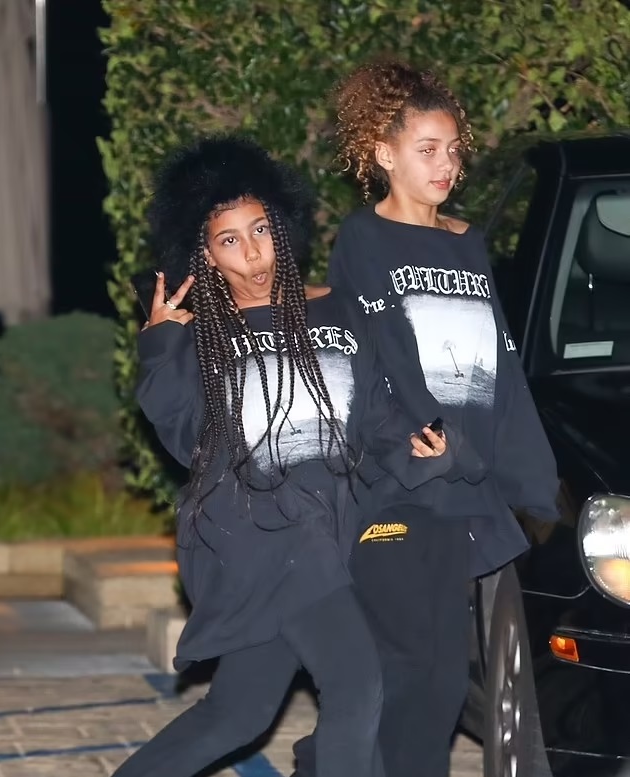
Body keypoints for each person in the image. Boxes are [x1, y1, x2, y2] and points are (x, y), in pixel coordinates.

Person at [111, 134, 470, 777]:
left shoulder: (338, 312)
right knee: (357, 686)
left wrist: (421, 450)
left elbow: (373, 421)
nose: (252, 253)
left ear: (281, 227)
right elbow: (185, 438)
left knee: (238, 714)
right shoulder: (203, 337)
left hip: (325, 536)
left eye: (259, 230)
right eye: (229, 241)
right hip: (258, 537)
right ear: (206, 255)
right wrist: (160, 343)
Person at [291, 61, 560, 777]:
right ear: (384, 154)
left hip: (466, 489)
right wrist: (417, 440)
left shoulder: (467, 243)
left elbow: (500, 363)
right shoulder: (365, 239)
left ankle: (325, 763)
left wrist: (531, 476)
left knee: (442, 683)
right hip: (403, 485)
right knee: (419, 675)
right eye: (428, 149)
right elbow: (368, 355)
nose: (447, 165)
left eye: (454, 150)